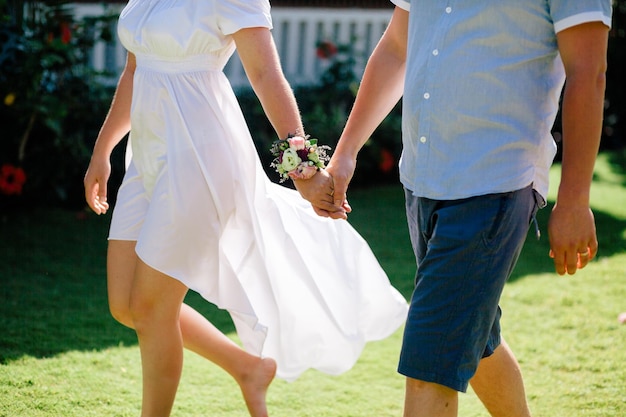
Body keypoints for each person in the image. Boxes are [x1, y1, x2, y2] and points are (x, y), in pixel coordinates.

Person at [83, 1, 408, 416]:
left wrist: (303, 169)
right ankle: (247, 368)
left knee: (149, 310)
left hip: (200, 161)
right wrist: (103, 148)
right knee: (125, 305)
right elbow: (135, 69)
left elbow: (265, 74)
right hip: (147, 160)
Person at [318, 1, 612, 416]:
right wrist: (346, 152)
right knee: (475, 338)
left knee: (430, 362)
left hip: (495, 182)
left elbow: (588, 73)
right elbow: (396, 48)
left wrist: (575, 200)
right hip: (422, 179)